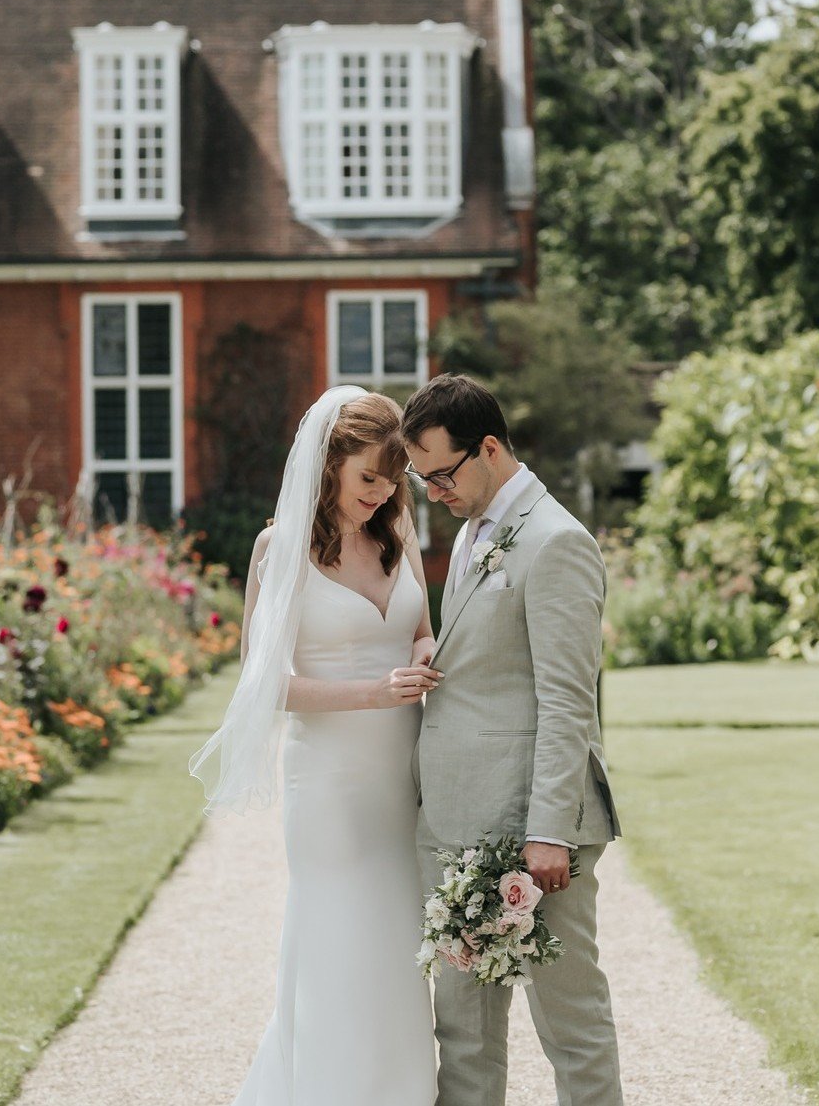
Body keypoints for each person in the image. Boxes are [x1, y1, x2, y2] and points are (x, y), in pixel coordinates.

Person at [189, 387, 440, 1106]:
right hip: (328, 783)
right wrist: (375, 691)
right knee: (339, 943)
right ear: (328, 464)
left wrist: (424, 651)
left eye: (393, 479)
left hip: (402, 773)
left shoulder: (398, 531)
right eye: (368, 477)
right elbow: (265, 687)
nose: (382, 492)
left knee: (398, 947)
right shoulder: (280, 548)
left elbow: (418, 624)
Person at [402, 373, 624, 1106]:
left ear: (488, 447)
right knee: (462, 1034)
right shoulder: (472, 531)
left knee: (568, 1020)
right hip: (460, 821)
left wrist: (547, 832)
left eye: (440, 472)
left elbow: (568, 701)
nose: (432, 490)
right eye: (421, 476)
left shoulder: (557, 541)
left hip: (535, 832)